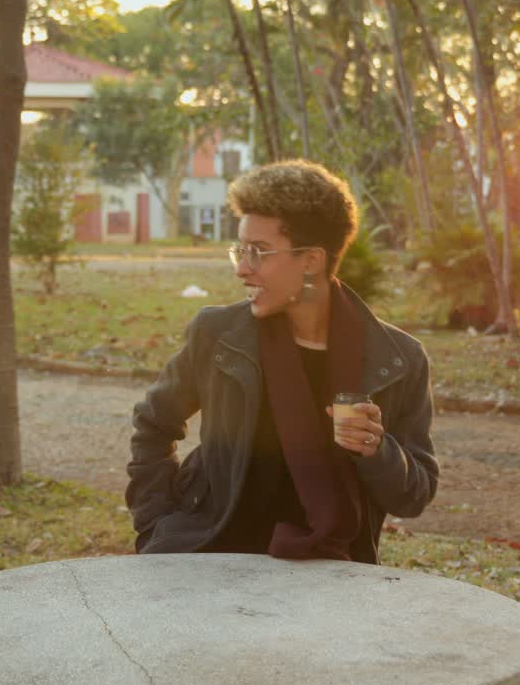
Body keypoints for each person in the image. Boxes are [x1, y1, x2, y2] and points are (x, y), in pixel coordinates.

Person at [126, 160, 438, 564]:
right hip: (208, 555)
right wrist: (156, 523)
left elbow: (414, 496)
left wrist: (377, 449)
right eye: (240, 250)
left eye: (258, 253)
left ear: (311, 260)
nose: (242, 269)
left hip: (330, 570)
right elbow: (153, 424)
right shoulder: (217, 335)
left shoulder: (398, 360)